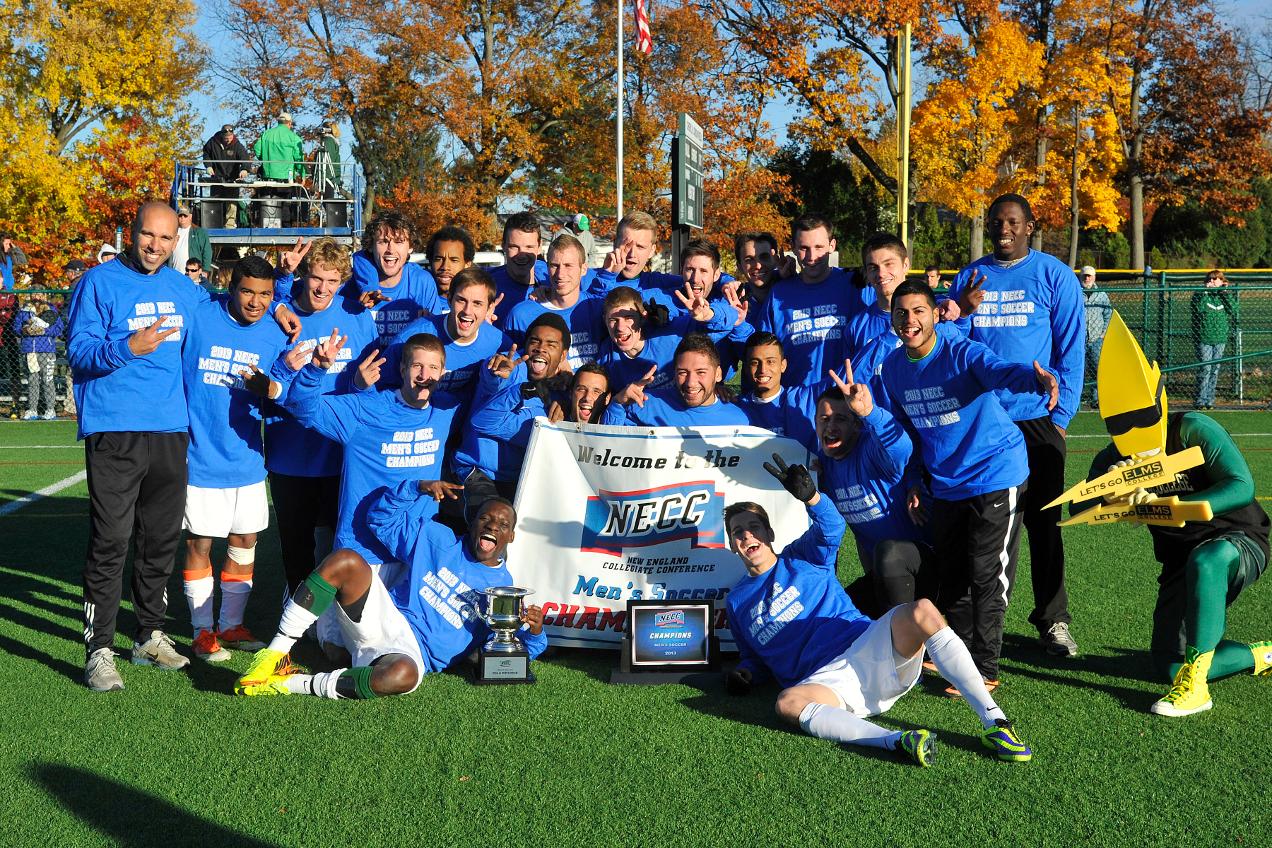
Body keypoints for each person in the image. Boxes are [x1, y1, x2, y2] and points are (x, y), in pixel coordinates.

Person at [68, 202, 299, 692]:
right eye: (147, 235)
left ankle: (149, 634)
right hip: (115, 429)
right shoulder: (98, 283)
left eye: (165, 238)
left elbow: (234, 299)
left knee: (159, 540)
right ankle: (99, 649)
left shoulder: (184, 291)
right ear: (131, 233)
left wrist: (279, 302)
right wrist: (128, 347)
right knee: (112, 541)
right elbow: (79, 353)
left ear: (178, 241)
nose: (155, 245)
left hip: (172, 432)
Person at [723, 454, 1033, 766]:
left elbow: (832, 526)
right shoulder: (737, 602)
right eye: (738, 532)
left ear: (769, 534)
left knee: (922, 610)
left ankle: (996, 724)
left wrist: (812, 498)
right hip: (827, 683)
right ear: (733, 545)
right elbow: (754, 657)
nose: (748, 535)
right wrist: (747, 673)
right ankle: (898, 741)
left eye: (755, 527)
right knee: (788, 703)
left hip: (868, 647)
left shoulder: (802, 557)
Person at [1074, 314, 1269, 716]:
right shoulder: (1112, 458)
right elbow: (1079, 507)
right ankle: (1260, 654)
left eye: (1142, 420)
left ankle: (1198, 688)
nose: (1135, 438)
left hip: (1237, 542)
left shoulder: (1194, 428)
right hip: (1179, 560)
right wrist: (1113, 493)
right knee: (1166, 664)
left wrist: (1177, 506)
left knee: (1209, 558)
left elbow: (1241, 486)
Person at [881, 280, 1058, 692]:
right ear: (892, 319)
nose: (910, 321)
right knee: (954, 573)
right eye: (902, 313)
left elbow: (998, 370)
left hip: (996, 472)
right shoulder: (893, 369)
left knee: (986, 573)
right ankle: (955, 653)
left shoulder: (960, 351)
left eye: (919, 311)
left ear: (935, 313)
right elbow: (908, 430)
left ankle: (985, 667)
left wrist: (1034, 380)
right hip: (947, 482)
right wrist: (914, 481)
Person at [234, 489, 545, 699]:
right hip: (385, 615)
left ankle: (288, 684)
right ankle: (272, 656)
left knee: (401, 675)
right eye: (485, 518)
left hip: (412, 654)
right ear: (473, 523)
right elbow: (380, 519)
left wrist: (534, 631)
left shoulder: (503, 590)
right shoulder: (438, 538)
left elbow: (508, 656)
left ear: (511, 536)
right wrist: (415, 487)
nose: (492, 525)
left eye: (503, 524)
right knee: (345, 559)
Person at [946, 193, 1085, 659]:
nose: (1003, 229)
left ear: (1030, 225)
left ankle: (1053, 621)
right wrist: (962, 310)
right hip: (986, 424)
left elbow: (1071, 352)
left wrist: (1060, 418)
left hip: (1036, 420)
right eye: (995, 223)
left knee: (1045, 525)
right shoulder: (969, 277)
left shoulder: (1055, 275)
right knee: (985, 528)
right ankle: (974, 623)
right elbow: (950, 344)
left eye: (1011, 222)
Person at [280, 330, 461, 585]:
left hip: (413, 550)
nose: (424, 375)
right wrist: (316, 370)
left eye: (433, 367)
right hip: (362, 550)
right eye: (417, 366)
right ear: (402, 368)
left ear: (442, 373)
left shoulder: (446, 411)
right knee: (346, 625)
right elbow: (303, 409)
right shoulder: (366, 408)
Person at [179, 255, 291, 661]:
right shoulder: (200, 313)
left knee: (245, 542)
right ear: (231, 287)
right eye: (248, 291)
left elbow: (283, 388)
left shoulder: (276, 335)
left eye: (266, 295)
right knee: (200, 544)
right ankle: (200, 631)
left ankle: (231, 625)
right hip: (198, 456)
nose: (256, 302)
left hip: (247, 459)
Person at [264, 238, 379, 596]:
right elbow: (264, 382)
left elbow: (372, 377)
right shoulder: (279, 315)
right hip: (291, 452)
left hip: (340, 455)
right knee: (296, 547)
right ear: (303, 274)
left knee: (338, 546)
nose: (322, 288)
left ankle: (332, 624)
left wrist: (361, 386)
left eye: (332, 281)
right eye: (316, 278)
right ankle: (294, 622)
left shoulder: (356, 316)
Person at [816, 364, 934, 617]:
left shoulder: (871, 449)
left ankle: (909, 647)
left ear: (857, 425)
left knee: (889, 552)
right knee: (838, 615)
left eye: (840, 419)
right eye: (824, 419)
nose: (830, 427)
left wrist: (870, 412)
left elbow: (901, 447)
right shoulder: (822, 466)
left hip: (930, 569)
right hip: (887, 577)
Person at [455, 314, 573, 504]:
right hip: (478, 471)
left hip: (521, 478)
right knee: (493, 518)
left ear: (563, 355)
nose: (541, 348)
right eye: (535, 341)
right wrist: (498, 374)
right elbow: (493, 380)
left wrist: (566, 405)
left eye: (551, 345)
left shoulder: (561, 392)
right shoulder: (514, 368)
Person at [757, 215, 873, 387]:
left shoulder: (855, 284)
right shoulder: (779, 293)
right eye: (804, 248)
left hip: (845, 398)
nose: (812, 256)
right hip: (796, 400)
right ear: (793, 248)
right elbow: (762, 350)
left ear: (832, 246)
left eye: (819, 247)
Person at [381, 266, 508, 401]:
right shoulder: (411, 337)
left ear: (489, 308)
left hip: (460, 418)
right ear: (449, 300)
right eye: (461, 300)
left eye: (477, 303)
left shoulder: (498, 342)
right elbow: (380, 385)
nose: (467, 311)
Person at [602, 333, 750, 427]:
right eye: (683, 372)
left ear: (718, 374)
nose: (691, 382)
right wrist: (618, 403)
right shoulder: (645, 404)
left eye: (701, 372)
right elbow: (607, 447)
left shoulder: (739, 421)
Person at [346, 211, 444, 341]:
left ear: (411, 247)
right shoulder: (349, 283)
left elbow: (434, 341)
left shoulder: (421, 282)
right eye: (383, 242)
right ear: (370, 246)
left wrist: (425, 327)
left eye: (399, 242)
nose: (390, 250)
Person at [13, 289, 65, 419]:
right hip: (30, 350)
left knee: (47, 380)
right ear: (30, 296)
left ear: (45, 295)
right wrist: (26, 330)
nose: (37, 296)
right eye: (34, 293)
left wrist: (43, 331)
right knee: (33, 379)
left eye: (40, 294)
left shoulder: (51, 310)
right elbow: (16, 328)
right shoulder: (23, 311)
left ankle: (50, 409)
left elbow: (59, 329)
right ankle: (32, 410)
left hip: (47, 350)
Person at [1191, 269, 1237, 410]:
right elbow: (1199, 309)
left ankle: (1209, 401)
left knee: (1215, 370)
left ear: (1222, 282)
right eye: (1209, 279)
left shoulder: (1223, 296)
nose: (1212, 281)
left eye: (1215, 279)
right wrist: (1205, 292)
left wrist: (1224, 293)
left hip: (1220, 338)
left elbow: (1233, 309)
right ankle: (1200, 400)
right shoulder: (1200, 294)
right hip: (1204, 338)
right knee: (1205, 368)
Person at [488, 212, 548, 313]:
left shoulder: (554, 280)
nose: (521, 255)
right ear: (504, 246)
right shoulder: (486, 285)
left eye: (529, 247)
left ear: (539, 247)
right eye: (514, 247)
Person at [253, 113, 305, 226]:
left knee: (269, 208)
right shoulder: (293, 137)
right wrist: (302, 174)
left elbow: (257, 149)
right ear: (289, 123)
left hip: (268, 179)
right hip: (286, 180)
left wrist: (264, 158)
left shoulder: (266, 134)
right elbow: (299, 158)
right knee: (285, 208)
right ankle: (286, 232)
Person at [202, 124, 252, 227]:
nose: (228, 140)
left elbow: (245, 158)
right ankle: (215, 224)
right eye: (226, 138)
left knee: (231, 203)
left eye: (230, 137)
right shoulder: (213, 142)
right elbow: (206, 153)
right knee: (216, 202)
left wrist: (244, 169)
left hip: (232, 179)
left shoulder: (237, 144)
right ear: (221, 135)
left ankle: (230, 224)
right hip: (217, 178)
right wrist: (208, 166)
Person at [1081, 265, 1111, 407]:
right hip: (1079, 340)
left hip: (1096, 338)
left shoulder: (1102, 295)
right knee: (1079, 369)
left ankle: (1096, 399)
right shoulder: (1075, 292)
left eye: (1089, 276)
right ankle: (1077, 399)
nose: (1087, 278)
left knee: (1097, 370)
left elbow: (1108, 314)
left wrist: (1103, 333)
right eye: (1084, 276)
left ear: (1094, 278)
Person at [426, 225, 476, 303]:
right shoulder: (420, 298)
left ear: (467, 264)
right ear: (430, 261)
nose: (445, 267)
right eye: (438, 259)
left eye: (454, 260)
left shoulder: (476, 301)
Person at [169, 204, 212, 275]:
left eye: (185, 216)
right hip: (174, 274)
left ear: (190, 217)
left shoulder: (199, 232)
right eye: (180, 215)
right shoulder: (172, 232)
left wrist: (205, 271)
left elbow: (207, 252)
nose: (182, 218)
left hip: (193, 275)